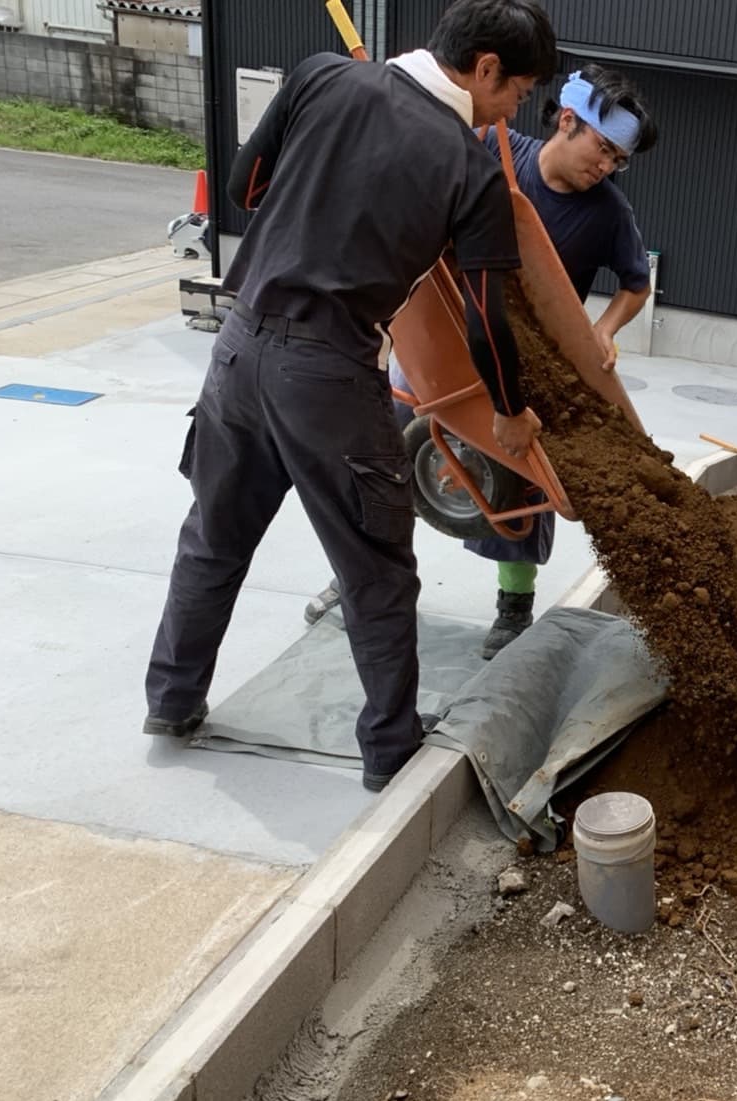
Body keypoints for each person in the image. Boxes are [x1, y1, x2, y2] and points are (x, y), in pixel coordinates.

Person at [142, 0, 557, 792]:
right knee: (376, 570)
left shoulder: (322, 78)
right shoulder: (468, 168)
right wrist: (509, 412)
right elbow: (485, 317)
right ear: (486, 69)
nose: (511, 113)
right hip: (327, 373)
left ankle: (172, 698)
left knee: (214, 537)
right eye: (516, 93)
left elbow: (245, 185)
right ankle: (390, 747)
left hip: (238, 348)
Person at [304, 63, 658, 661]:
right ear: (567, 121)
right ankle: (356, 578)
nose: (606, 166)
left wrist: (603, 328)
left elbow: (636, 283)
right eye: (603, 149)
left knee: (525, 480)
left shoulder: (607, 212)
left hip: (523, 366)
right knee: (382, 461)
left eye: (618, 160)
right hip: (438, 338)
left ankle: (514, 607)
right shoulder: (492, 149)